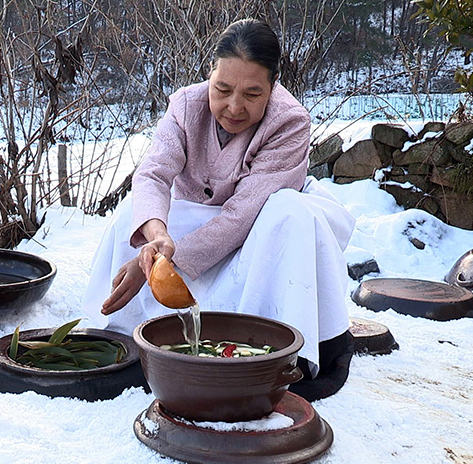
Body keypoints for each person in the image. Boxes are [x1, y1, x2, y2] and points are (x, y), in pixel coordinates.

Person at [82, 18, 356, 401]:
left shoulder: (290, 122)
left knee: (288, 212)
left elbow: (243, 214)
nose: (233, 107)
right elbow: (153, 176)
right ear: (209, 74)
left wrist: (165, 268)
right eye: (222, 89)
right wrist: (158, 237)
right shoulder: (185, 106)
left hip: (264, 223)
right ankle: (129, 334)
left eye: (252, 94)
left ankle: (268, 354)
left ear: (273, 87)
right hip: (198, 211)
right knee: (135, 211)